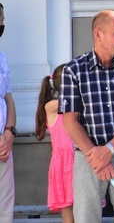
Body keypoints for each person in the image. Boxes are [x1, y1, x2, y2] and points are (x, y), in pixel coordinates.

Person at [60, 10, 114, 223]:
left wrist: (109, 150)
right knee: (85, 219)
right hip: (87, 158)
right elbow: (69, 121)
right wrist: (97, 156)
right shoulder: (74, 70)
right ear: (98, 34)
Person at [35, 64, 74, 223]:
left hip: (78, 158)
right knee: (68, 213)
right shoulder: (51, 106)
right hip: (63, 162)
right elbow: (70, 101)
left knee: (85, 209)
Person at [0, 3, 17, 221]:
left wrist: (9, 132)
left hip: (4, 141)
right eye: (0, 18)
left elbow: (8, 98)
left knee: (5, 201)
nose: (2, 23)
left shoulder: (2, 56)